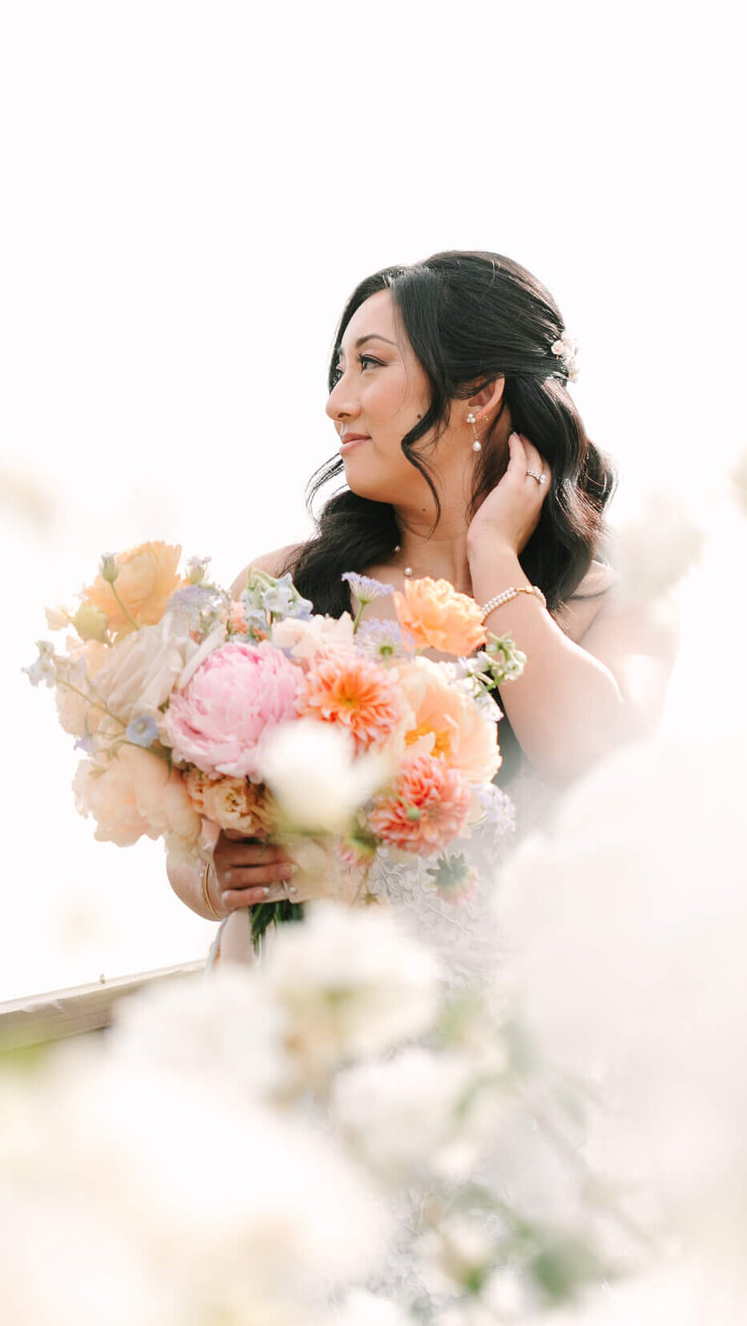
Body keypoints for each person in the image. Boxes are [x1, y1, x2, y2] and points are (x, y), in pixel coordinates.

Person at [166, 250, 680, 973]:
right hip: (290, 1027)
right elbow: (188, 848)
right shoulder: (286, 588)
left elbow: (591, 753)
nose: (337, 401)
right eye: (339, 371)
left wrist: (495, 555)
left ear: (479, 390)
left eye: (370, 364)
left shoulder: (618, 608)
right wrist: (210, 877)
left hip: (481, 1050)